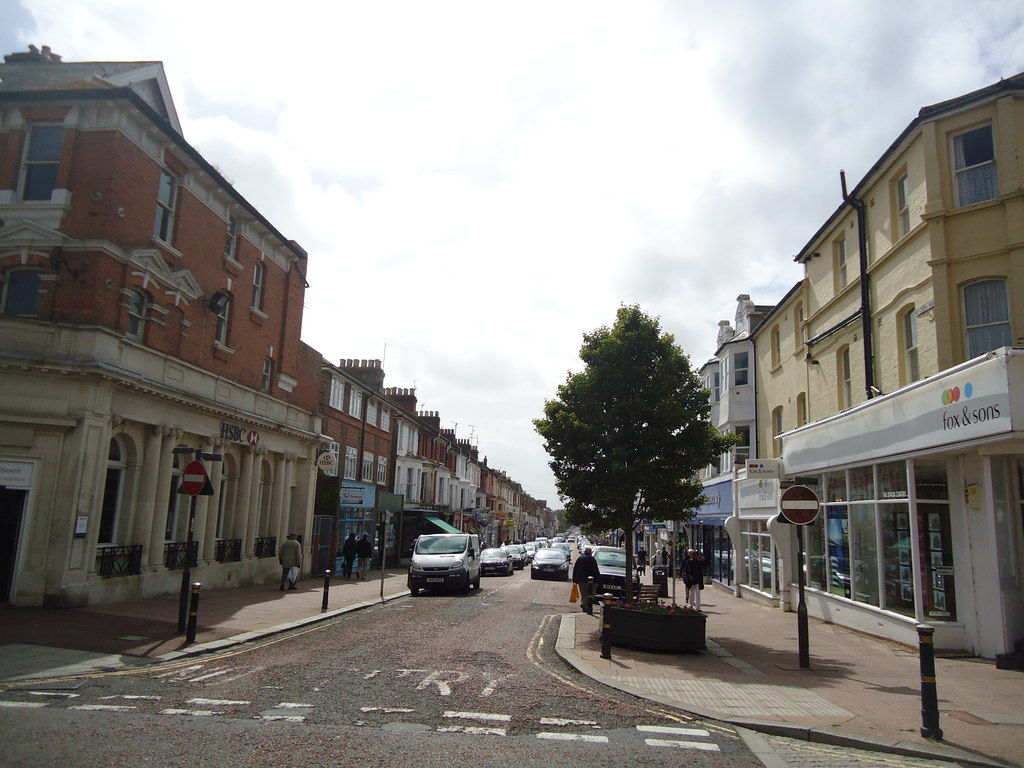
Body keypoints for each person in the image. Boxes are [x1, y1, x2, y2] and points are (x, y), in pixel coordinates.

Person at [572, 546, 602, 612]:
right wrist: (597, 581)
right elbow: (595, 571)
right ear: (590, 552)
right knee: (592, 593)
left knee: (584, 595)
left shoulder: (580, 559)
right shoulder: (592, 560)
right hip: (590, 581)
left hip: (581, 581)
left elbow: (576, 569)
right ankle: (584, 604)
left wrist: (575, 580)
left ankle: (585, 608)